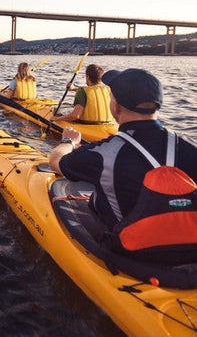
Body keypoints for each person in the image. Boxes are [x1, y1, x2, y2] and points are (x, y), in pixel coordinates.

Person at [49, 68, 197, 236]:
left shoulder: (105, 152)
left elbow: (56, 161)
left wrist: (69, 141)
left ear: (116, 106)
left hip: (128, 248)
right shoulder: (189, 145)